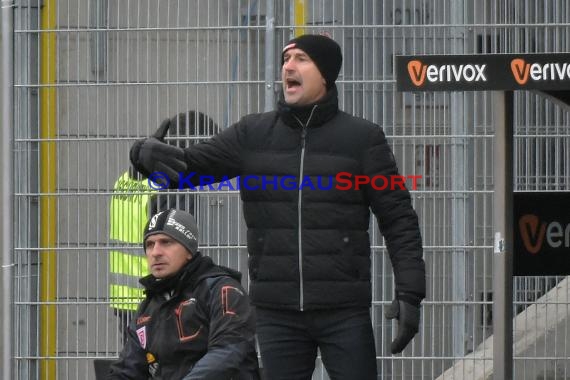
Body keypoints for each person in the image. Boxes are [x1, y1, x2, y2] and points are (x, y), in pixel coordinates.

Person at [129, 34, 425, 379]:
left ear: (325, 73)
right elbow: (186, 170)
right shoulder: (252, 134)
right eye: (286, 58)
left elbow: (398, 218)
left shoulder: (362, 138)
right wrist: (144, 156)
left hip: (344, 310)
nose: (288, 66)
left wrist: (410, 292)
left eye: (301, 58)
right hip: (276, 312)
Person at [108, 110, 219, 347]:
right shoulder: (171, 184)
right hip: (157, 295)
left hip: (125, 296)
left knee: (137, 363)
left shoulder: (128, 178)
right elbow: (176, 242)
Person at [107, 209, 260, 379]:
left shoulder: (222, 290)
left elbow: (228, 353)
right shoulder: (148, 307)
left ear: (189, 251)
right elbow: (127, 370)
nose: (156, 252)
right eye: (150, 244)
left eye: (166, 242)